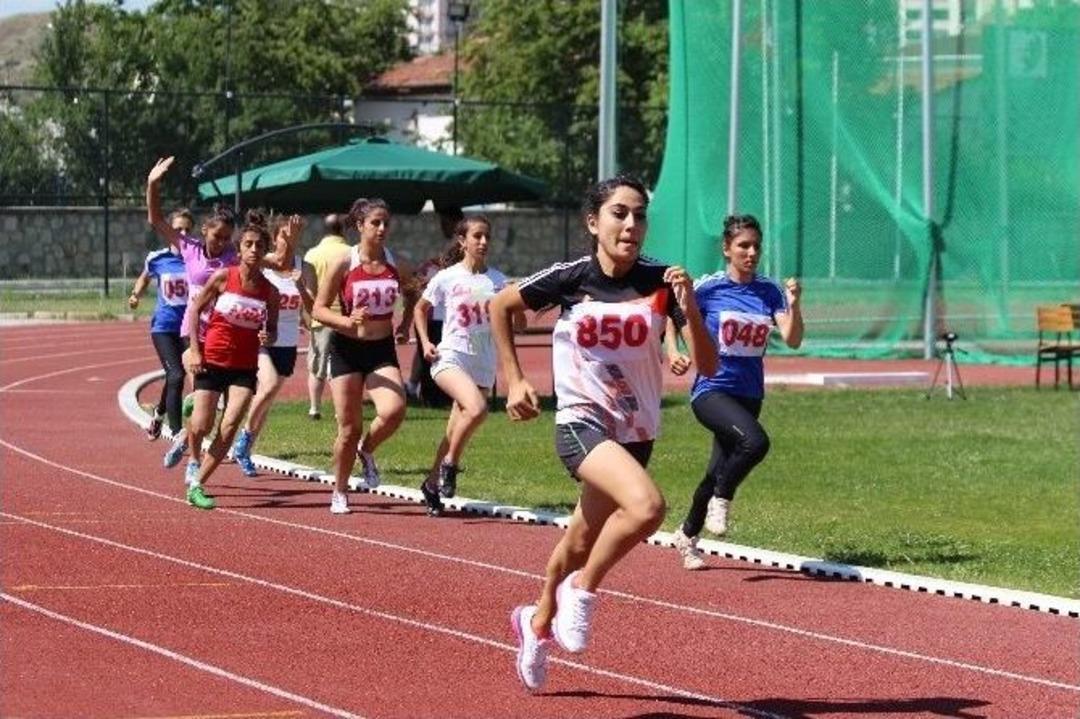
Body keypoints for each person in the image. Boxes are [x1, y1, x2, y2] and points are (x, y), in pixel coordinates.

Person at [489, 175, 717, 691]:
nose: (631, 225)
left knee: (579, 539)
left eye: (639, 214)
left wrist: (691, 306)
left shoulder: (664, 282)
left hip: (635, 431)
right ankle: (583, 593)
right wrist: (516, 380)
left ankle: (537, 619)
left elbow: (707, 362)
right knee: (647, 508)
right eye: (619, 213)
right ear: (594, 222)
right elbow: (501, 306)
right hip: (580, 422)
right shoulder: (571, 277)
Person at [666, 213, 803, 571]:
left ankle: (686, 535)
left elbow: (793, 338)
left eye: (756, 245)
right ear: (727, 249)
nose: (752, 252)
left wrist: (795, 303)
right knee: (755, 443)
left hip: (749, 394)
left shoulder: (769, 290)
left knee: (716, 470)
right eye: (743, 245)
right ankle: (722, 500)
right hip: (711, 391)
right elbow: (675, 313)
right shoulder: (710, 288)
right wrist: (674, 350)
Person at [311, 197, 418, 515]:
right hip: (345, 349)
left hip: (381, 349)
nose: (383, 228)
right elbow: (318, 308)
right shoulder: (344, 263)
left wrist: (405, 324)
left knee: (395, 409)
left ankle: (367, 450)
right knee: (348, 427)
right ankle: (340, 491)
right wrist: (347, 321)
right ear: (360, 226)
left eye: (386, 222)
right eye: (376, 222)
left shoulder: (396, 262)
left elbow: (413, 293)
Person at [413, 214, 525, 516]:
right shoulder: (447, 277)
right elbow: (420, 309)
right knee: (476, 409)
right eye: (477, 236)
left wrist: (516, 299)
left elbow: (521, 326)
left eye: (487, 236)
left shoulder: (498, 280)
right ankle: (451, 465)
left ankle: (431, 484)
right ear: (462, 241)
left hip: (483, 362)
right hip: (450, 356)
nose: (484, 242)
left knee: (454, 430)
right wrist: (425, 342)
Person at [181, 211, 280, 509]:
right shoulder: (225, 276)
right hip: (212, 359)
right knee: (201, 425)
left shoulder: (269, 291)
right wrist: (196, 351)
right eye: (248, 244)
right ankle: (192, 416)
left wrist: (269, 337)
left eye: (259, 246)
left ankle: (197, 485)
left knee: (230, 425)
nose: (253, 250)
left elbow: (272, 329)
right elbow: (196, 309)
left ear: (264, 252)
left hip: (244, 366)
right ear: (239, 250)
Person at [147, 158, 240, 470]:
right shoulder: (190, 248)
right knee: (195, 384)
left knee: (214, 407)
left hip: (222, 332)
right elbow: (157, 219)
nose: (222, 242)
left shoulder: (234, 257)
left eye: (227, 237)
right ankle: (189, 451)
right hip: (193, 331)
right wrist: (152, 184)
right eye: (217, 236)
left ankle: (188, 435)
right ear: (205, 231)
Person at [231, 214, 310, 477]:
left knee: (265, 399)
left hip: (287, 343)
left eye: (292, 235)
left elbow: (311, 315)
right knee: (270, 384)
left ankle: (245, 448)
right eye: (283, 235)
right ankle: (242, 439)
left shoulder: (303, 267)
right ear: (274, 239)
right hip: (259, 337)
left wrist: (302, 287)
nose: (287, 240)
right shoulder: (263, 264)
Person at [129, 209, 192, 450]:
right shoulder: (158, 258)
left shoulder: (197, 258)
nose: (183, 233)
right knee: (176, 375)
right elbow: (144, 278)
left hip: (188, 329)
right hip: (164, 327)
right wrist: (136, 295)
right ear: (169, 231)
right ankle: (176, 433)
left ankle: (158, 414)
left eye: (187, 228)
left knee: (179, 375)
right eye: (178, 228)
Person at [407, 207, 463, 408]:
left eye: (445, 221)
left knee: (446, 356)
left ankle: (442, 396)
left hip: (447, 314)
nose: (442, 225)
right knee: (430, 356)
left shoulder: (461, 244)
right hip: (434, 313)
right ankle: (430, 395)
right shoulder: (441, 252)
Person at [301, 213, 351, 421]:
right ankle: (341, 409)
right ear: (344, 230)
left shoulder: (312, 254)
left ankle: (314, 407)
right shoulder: (351, 253)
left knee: (316, 365)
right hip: (345, 318)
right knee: (343, 366)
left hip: (320, 316)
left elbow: (308, 289)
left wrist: (306, 317)